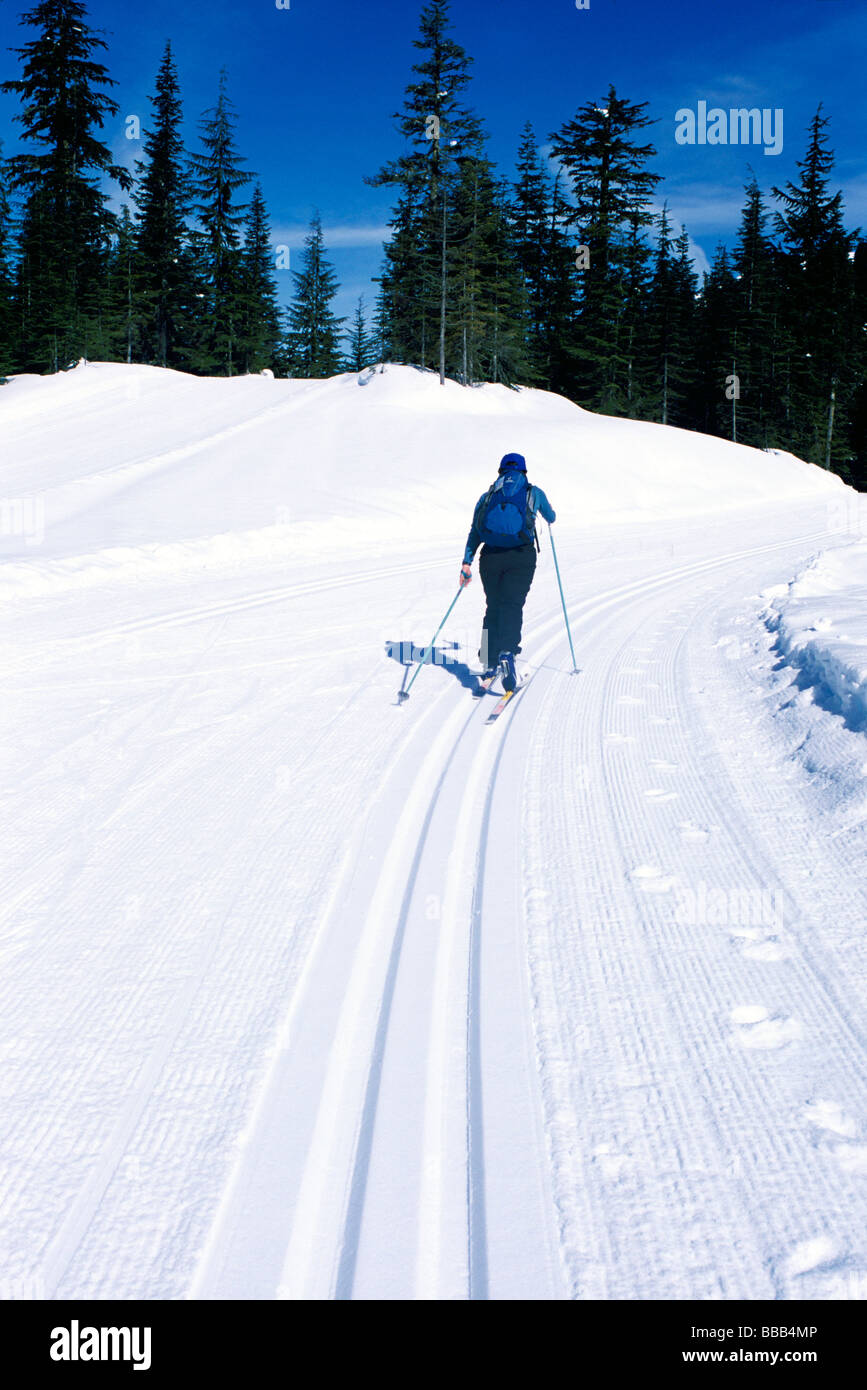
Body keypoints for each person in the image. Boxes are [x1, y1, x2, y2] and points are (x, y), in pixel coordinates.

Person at [459, 452, 556, 691]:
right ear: (523, 471)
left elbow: (475, 530)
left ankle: (488, 661)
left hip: (490, 558)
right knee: (512, 605)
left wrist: (466, 562)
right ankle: (507, 652)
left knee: (492, 605)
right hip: (521, 556)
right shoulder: (533, 492)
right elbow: (551, 517)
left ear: (500, 471)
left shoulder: (488, 495)